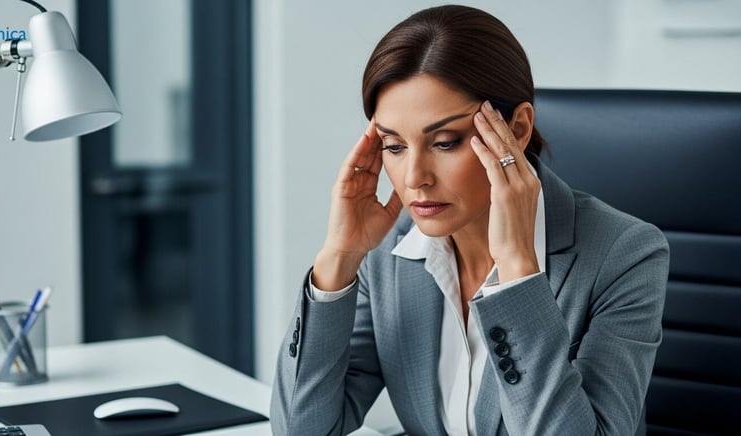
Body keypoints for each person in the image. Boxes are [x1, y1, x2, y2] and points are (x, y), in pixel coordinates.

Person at [270, 5, 669, 436]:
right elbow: (302, 428)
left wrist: (518, 276)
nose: (414, 179)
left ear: (516, 129)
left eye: (444, 142)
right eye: (394, 146)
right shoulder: (390, 249)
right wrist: (339, 259)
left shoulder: (625, 254)